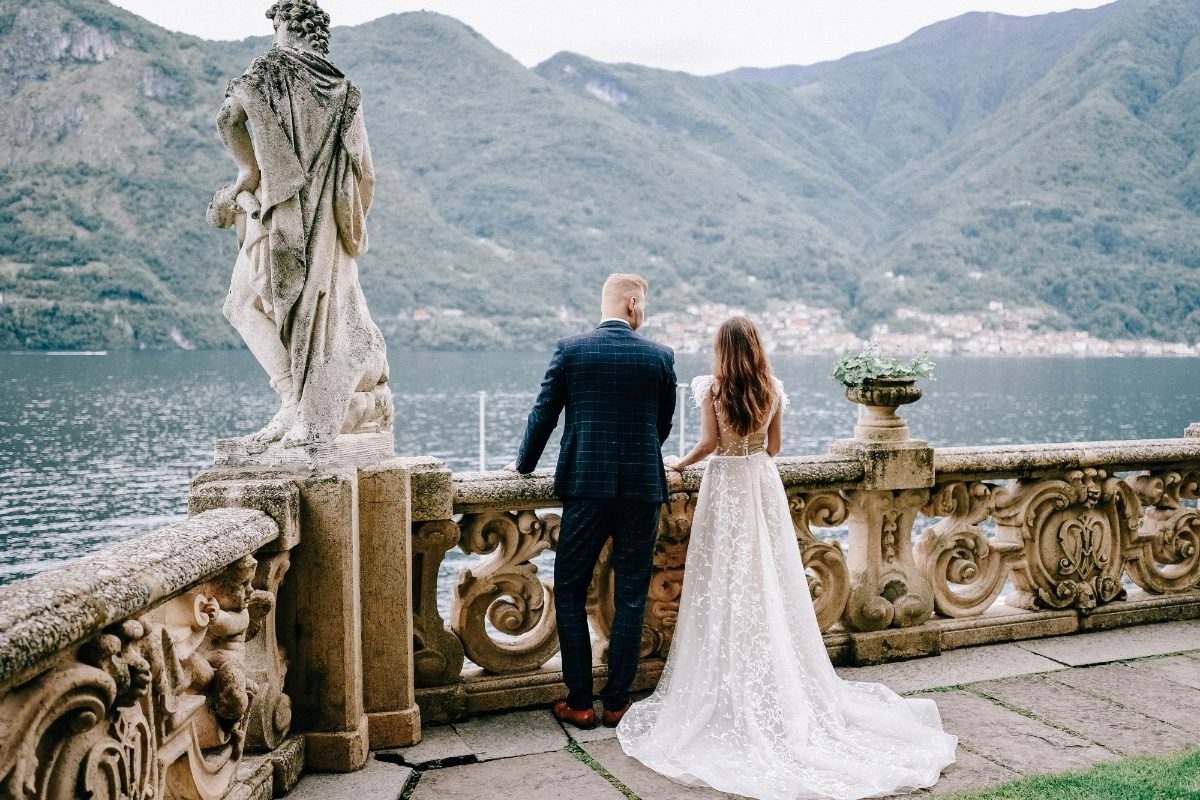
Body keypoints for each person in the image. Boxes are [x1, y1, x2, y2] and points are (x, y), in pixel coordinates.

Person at [617, 316, 957, 800]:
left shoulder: (711, 389)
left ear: (721, 350)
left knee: (722, 579)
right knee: (768, 578)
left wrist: (680, 463)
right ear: (756, 348)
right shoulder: (772, 388)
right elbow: (774, 448)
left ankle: (727, 678)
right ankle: (775, 673)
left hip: (725, 485)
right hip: (760, 483)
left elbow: (709, 445)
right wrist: (753, 450)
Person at [208, 0, 390, 450]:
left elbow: (228, 118)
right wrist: (348, 227)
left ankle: (292, 398)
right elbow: (366, 174)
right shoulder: (346, 91)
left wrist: (247, 174)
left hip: (279, 214)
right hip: (328, 225)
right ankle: (298, 401)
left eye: (276, 29)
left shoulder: (270, 69)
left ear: (288, 28)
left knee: (243, 303)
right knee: (308, 314)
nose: (274, 39)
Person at [506, 273, 677, 729]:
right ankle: (618, 702)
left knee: (569, 590)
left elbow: (543, 414)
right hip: (642, 489)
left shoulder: (572, 349)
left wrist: (523, 466)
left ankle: (579, 701)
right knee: (632, 595)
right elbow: (662, 427)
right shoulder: (661, 357)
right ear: (634, 304)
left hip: (585, 486)